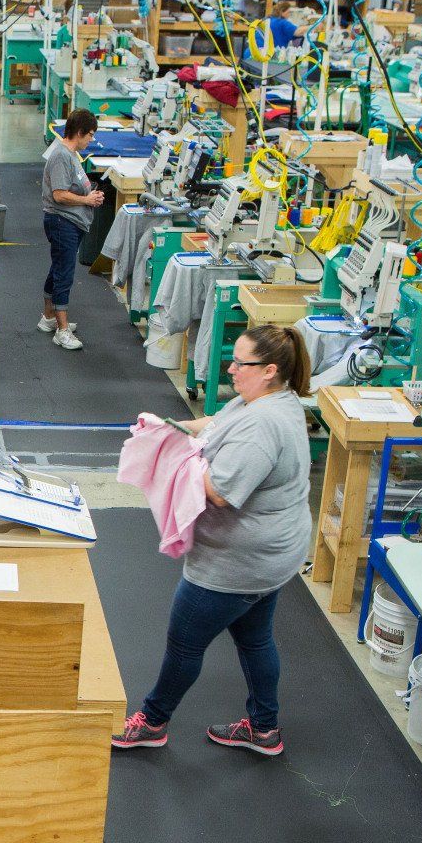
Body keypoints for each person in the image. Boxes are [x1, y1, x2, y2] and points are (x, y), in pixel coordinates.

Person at [114, 324, 314, 757]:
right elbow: (213, 424)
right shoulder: (267, 399)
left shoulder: (264, 425)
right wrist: (170, 427)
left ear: (270, 370)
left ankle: (152, 722)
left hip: (240, 561)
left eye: (241, 363)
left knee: (185, 643)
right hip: (273, 554)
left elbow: (220, 492)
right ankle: (264, 729)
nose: (232, 367)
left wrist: (176, 458)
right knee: (255, 638)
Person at [41, 108, 105, 351]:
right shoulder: (61, 156)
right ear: (79, 132)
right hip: (61, 222)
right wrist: (87, 200)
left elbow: (72, 188)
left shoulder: (71, 154)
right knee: (64, 274)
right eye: (90, 135)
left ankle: (48, 318)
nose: (91, 140)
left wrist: (90, 195)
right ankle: (62, 330)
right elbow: (59, 195)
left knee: (58, 267)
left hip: (71, 222)